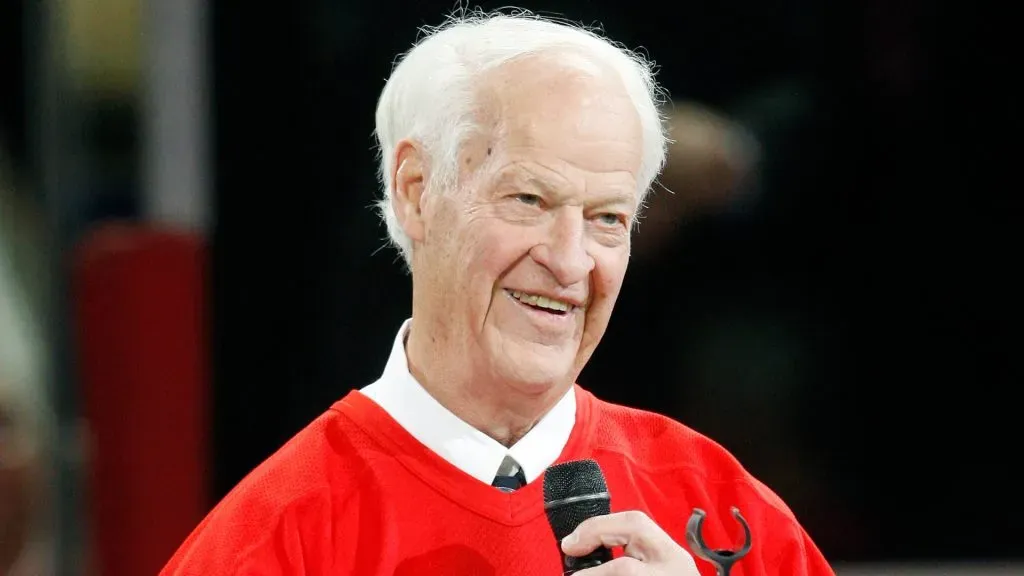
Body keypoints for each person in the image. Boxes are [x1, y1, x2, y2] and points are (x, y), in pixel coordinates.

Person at [161, 10, 834, 575]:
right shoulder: (272, 541)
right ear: (417, 191)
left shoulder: (724, 513)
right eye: (529, 199)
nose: (571, 262)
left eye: (607, 219)